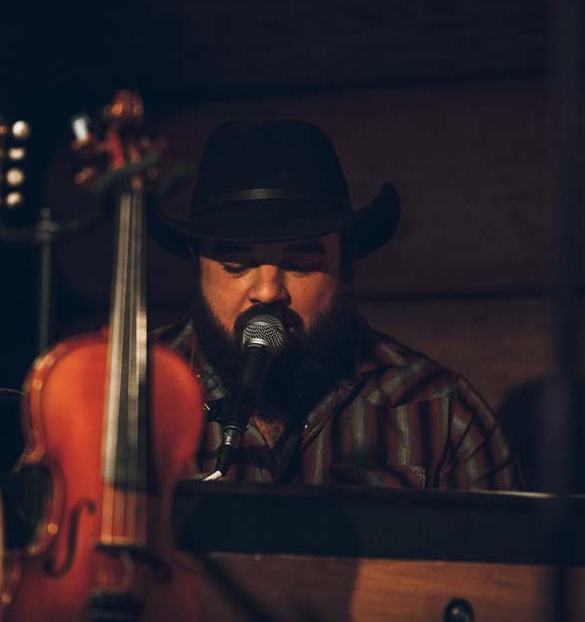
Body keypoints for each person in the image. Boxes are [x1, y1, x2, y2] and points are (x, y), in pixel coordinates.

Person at [149, 120, 521, 490]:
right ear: (196, 264)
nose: (267, 291)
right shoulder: (123, 390)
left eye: (300, 265)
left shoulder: (442, 413)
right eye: (237, 265)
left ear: (346, 265)